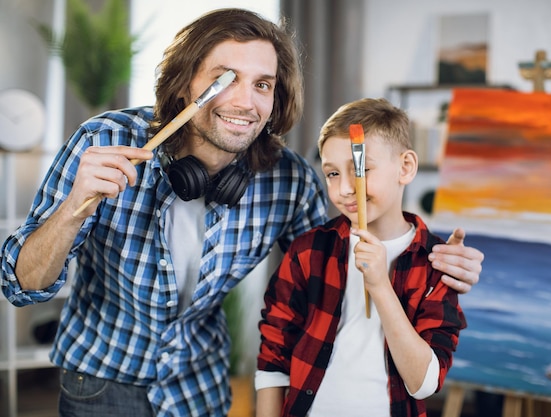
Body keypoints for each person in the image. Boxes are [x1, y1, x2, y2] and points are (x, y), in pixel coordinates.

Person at [0, 8, 482, 417]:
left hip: (200, 387)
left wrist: (435, 256)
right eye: (225, 79)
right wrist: (71, 210)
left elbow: (344, 258)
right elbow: (18, 285)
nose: (245, 102)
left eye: (263, 85)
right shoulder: (103, 141)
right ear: (188, 84)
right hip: (99, 382)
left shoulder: (287, 179)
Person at [256, 97, 467, 417]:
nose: (344, 189)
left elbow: (423, 384)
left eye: (360, 169)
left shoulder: (437, 263)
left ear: (405, 167)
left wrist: (380, 286)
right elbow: (273, 357)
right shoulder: (308, 252)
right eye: (331, 174)